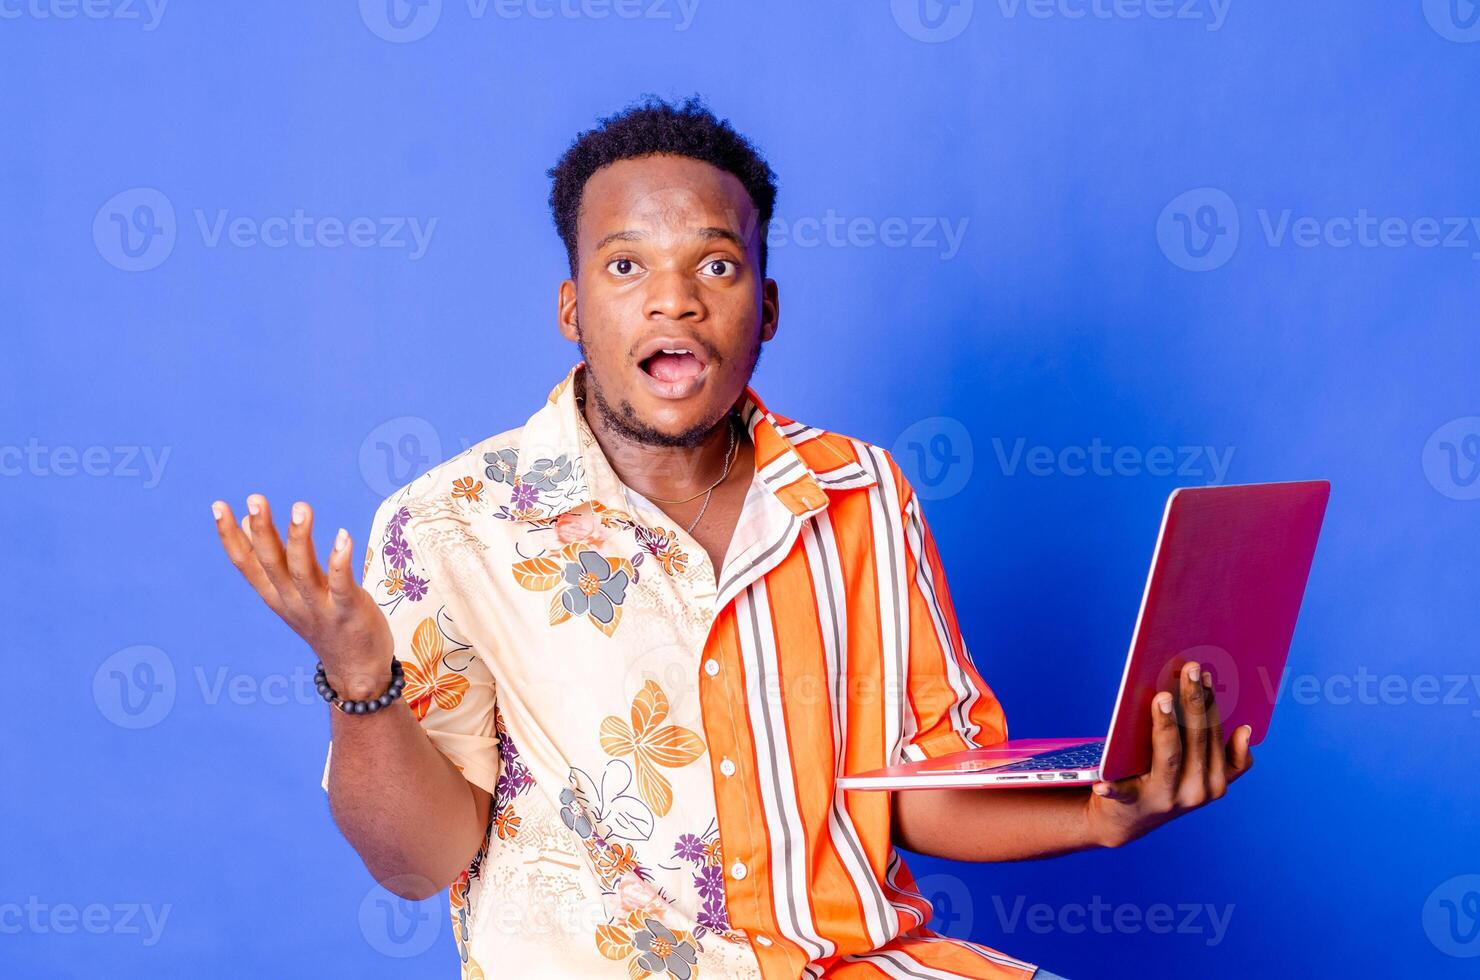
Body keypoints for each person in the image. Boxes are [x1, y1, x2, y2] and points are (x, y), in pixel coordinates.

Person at [210, 96, 1252, 980]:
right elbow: (414, 856)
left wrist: (1104, 813)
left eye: (715, 265)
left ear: (767, 307)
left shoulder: (859, 491)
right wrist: (359, 676)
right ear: (571, 308)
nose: (673, 296)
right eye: (625, 265)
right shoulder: (450, 525)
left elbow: (915, 789)